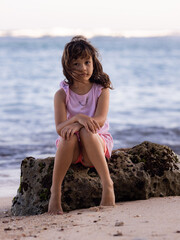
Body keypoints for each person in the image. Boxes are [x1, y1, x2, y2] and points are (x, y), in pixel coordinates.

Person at [48, 36, 115, 214]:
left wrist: (80, 124)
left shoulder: (101, 90)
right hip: (73, 151)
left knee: (86, 131)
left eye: (87, 62)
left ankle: (107, 184)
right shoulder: (61, 95)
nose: (83, 68)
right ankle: (55, 192)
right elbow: (60, 128)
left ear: (94, 63)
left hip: (95, 146)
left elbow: (99, 120)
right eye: (76, 64)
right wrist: (78, 118)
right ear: (67, 67)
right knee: (67, 136)